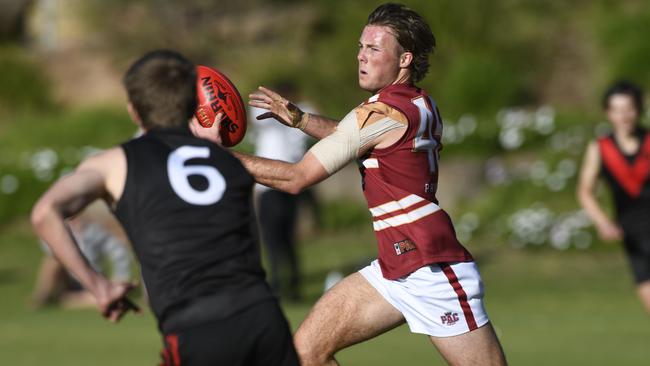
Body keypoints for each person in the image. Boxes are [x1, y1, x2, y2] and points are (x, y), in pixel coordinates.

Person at [197, 3, 507, 365]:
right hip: (394, 269)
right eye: (360, 47)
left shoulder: (380, 113)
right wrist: (300, 119)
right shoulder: (417, 102)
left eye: (374, 49)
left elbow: (298, 178)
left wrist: (215, 156)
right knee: (306, 353)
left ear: (404, 58)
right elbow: (355, 135)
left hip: (431, 268)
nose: (361, 56)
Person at [31, 49, 299, 366]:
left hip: (197, 328)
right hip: (263, 318)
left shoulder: (114, 164)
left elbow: (45, 212)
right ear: (192, 106)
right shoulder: (230, 164)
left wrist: (99, 287)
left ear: (134, 111)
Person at [577, 81, 650, 314]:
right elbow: (585, 191)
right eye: (617, 110)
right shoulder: (600, 148)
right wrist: (603, 222)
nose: (624, 116)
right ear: (608, 113)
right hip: (634, 238)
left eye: (629, 108)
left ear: (639, 109)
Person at [251, 81, 315, 300]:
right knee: (285, 239)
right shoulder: (298, 113)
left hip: (274, 185)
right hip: (287, 182)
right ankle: (291, 285)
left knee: (275, 239)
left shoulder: (297, 113)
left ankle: (282, 285)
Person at [31, 215, 133, 309]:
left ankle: (65, 300)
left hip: (94, 278)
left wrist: (120, 278)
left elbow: (118, 252)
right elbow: (48, 249)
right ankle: (43, 296)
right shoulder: (59, 232)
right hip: (68, 280)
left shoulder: (93, 232)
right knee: (53, 261)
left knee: (99, 299)